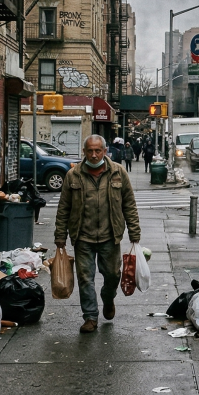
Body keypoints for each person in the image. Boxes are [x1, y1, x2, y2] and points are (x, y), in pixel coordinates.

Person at [54, 134, 141, 334]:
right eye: (90, 151)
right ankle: (90, 317)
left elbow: (129, 204)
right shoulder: (73, 175)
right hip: (82, 237)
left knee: (113, 275)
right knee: (85, 278)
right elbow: (64, 208)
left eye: (98, 151)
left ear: (104, 151)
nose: (94, 155)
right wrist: (60, 236)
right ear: (84, 152)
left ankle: (108, 298)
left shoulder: (118, 172)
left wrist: (134, 232)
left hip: (110, 236)